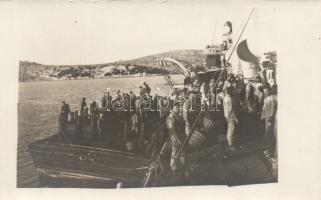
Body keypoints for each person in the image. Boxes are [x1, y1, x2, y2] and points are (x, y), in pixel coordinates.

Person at [167, 102, 186, 175]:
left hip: (181, 136)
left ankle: (181, 168)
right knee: (175, 152)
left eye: (179, 107)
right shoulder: (171, 116)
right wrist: (177, 139)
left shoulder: (178, 115)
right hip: (175, 137)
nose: (178, 108)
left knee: (182, 152)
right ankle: (173, 169)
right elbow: (172, 129)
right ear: (173, 108)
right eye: (176, 107)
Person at [261, 86, 277, 157]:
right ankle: (268, 149)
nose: (265, 92)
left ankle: (270, 150)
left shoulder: (272, 98)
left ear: (269, 91)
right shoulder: (266, 98)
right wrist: (262, 116)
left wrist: (271, 118)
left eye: (267, 91)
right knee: (267, 132)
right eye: (264, 91)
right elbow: (264, 109)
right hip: (266, 118)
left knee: (270, 134)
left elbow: (273, 109)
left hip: (270, 119)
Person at [223, 85, 240, 151]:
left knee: (229, 129)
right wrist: (235, 117)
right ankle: (231, 144)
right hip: (231, 116)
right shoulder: (229, 99)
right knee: (232, 130)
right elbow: (231, 109)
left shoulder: (225, 98)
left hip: (227, 115)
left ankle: (228, 140)